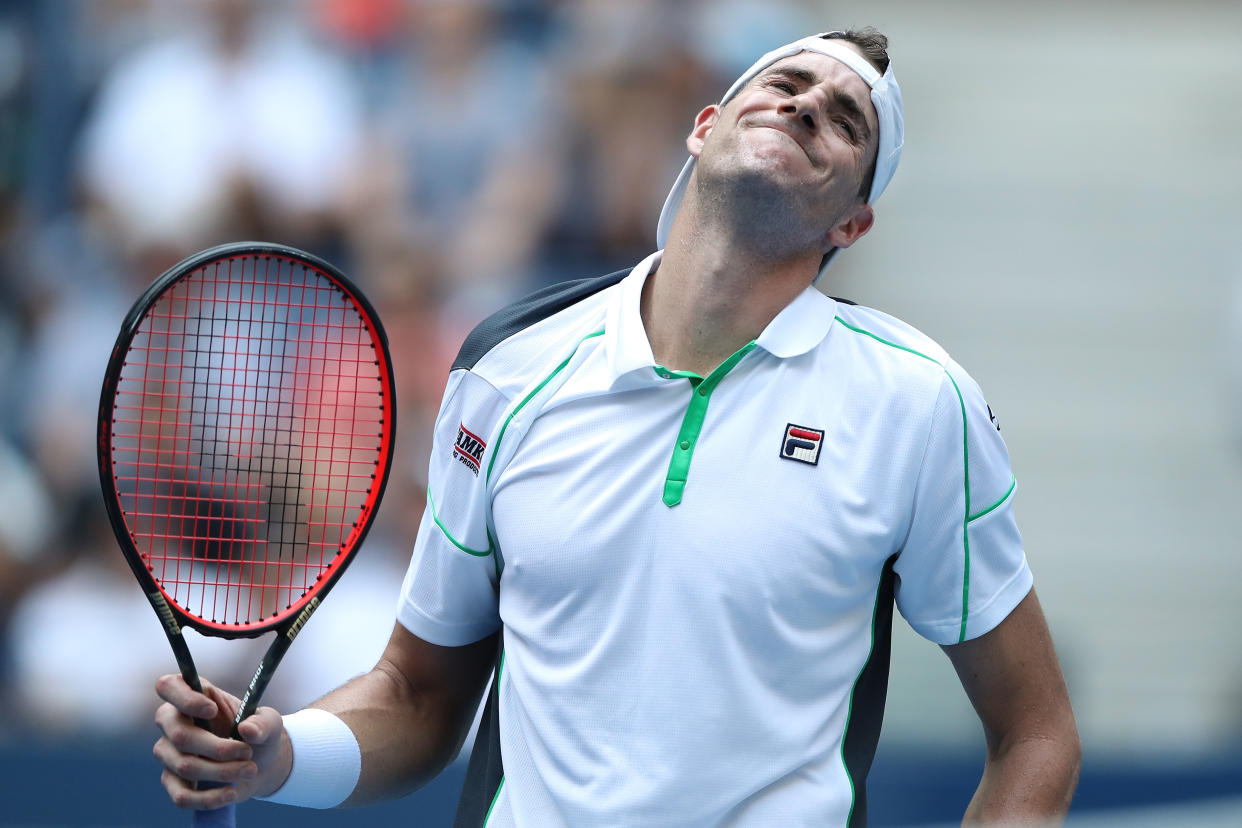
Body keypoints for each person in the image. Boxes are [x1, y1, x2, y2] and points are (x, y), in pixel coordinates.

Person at [152, 29, 1082, 826]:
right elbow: (420, 693)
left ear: (854, 224)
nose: (806, 107)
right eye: (786, 84)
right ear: (705, 125)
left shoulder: (920, 405)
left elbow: (1034, 734)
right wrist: (276, 758)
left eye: (846, 120)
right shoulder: (508, 369)